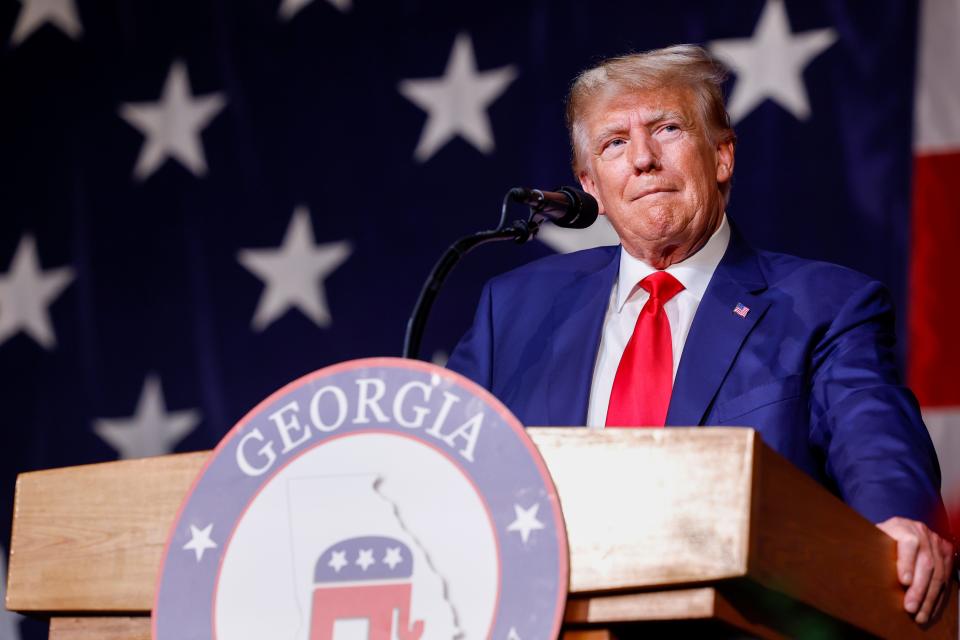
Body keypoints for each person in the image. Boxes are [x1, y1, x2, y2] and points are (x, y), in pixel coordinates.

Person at [446, 44, 954, 625]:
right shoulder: (513, 310)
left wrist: (899, 523)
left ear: (721, 156)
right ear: (590, 186)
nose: (642, 159)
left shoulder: (827, 305)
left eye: (667, 129)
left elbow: (874, 439)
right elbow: (446, 463)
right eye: (614, 142)